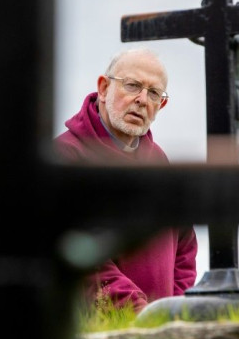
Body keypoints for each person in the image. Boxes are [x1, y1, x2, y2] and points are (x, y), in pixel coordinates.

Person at [54, 47, 198, 312]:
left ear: (161, 105)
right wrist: (139, 311)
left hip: (161, 336)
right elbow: (78, 254)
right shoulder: (65, 159)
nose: (142, 100)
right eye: (132, 86)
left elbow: (185, 248)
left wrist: (174, 311)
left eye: (154, 93)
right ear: (104, 88)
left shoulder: (159, 163)